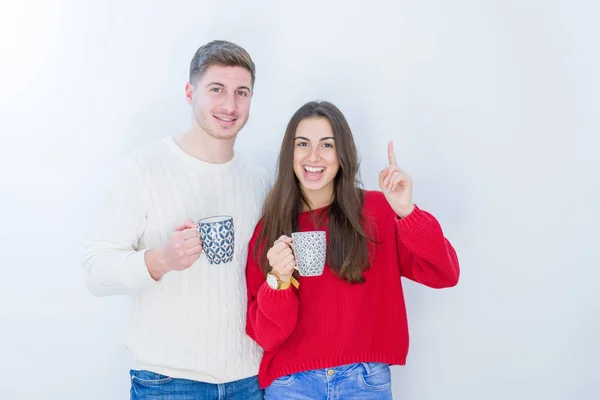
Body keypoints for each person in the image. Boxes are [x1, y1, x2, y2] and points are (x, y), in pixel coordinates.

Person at [83, 40, 269, 399]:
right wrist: (159, 260)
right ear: (190, 92)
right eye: (217, 89)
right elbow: (95, 270)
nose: (230, 105)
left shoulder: (259, 181)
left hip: (248, 379)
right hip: (167, 383)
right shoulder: (142, 170)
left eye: (241, 92)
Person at [245, 100, 460, 399]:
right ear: (289, 153)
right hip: (291, 385)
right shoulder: (269, 230)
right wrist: (278, 280)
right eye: (303, 143)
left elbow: (444, 273)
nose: (313, 156)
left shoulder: (378, 211)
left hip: (364, 381)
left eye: (327, 144)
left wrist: (406, 211)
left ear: (342, 154)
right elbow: (266, 336)